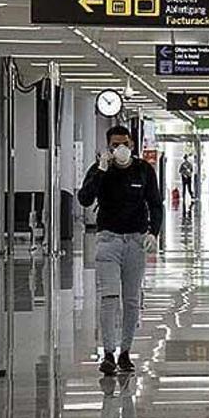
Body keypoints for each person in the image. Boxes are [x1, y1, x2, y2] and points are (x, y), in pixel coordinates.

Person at [78, 125, 163, 376]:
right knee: (109, 297)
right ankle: (108, 353)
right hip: (108, 240)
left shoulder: (144, 170)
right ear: (108, 147)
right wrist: (101, 172)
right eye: (115, 145)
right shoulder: (99, 169)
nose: (120, 149)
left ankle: (125, 351)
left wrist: (153, 232)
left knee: (132, 299)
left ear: (132, 144)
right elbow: (85, 199)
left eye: (124, 143)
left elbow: (155, 204)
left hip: (136, 241)